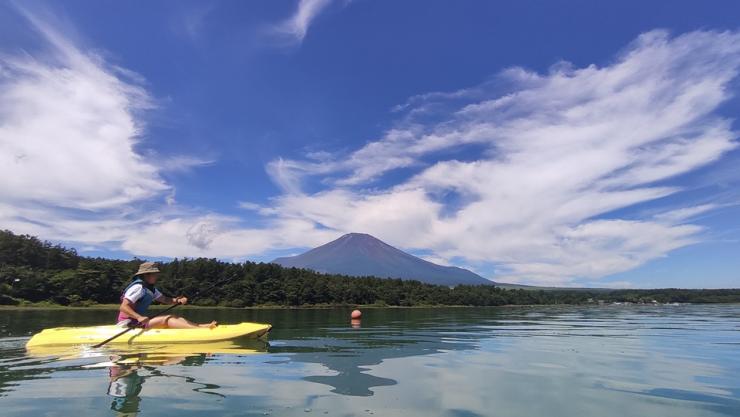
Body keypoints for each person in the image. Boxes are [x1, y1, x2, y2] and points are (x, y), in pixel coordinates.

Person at [117, 262, 217, 329]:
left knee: (176, 317)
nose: (157, 276)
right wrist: (138, 317)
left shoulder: (151, 289)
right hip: (128, 324)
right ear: (146, 275)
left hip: (137, 321)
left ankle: (200, 326)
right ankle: (198, 331)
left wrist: (178, 301)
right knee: (167, 319)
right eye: (154, 274)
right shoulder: (138, 287)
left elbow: (164, 299)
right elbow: (123, 307)